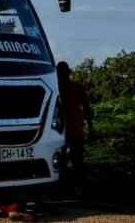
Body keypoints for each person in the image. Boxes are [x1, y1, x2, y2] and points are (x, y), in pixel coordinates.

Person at [56, 61, 94, 195]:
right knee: (64, 161)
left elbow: (87, 108)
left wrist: (91, 127)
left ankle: (77, 189)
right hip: (60, 132)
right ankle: (67, 188)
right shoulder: (56, 89)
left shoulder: (73, 87)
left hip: (71, 131)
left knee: (75, 161)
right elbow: (87, 108)